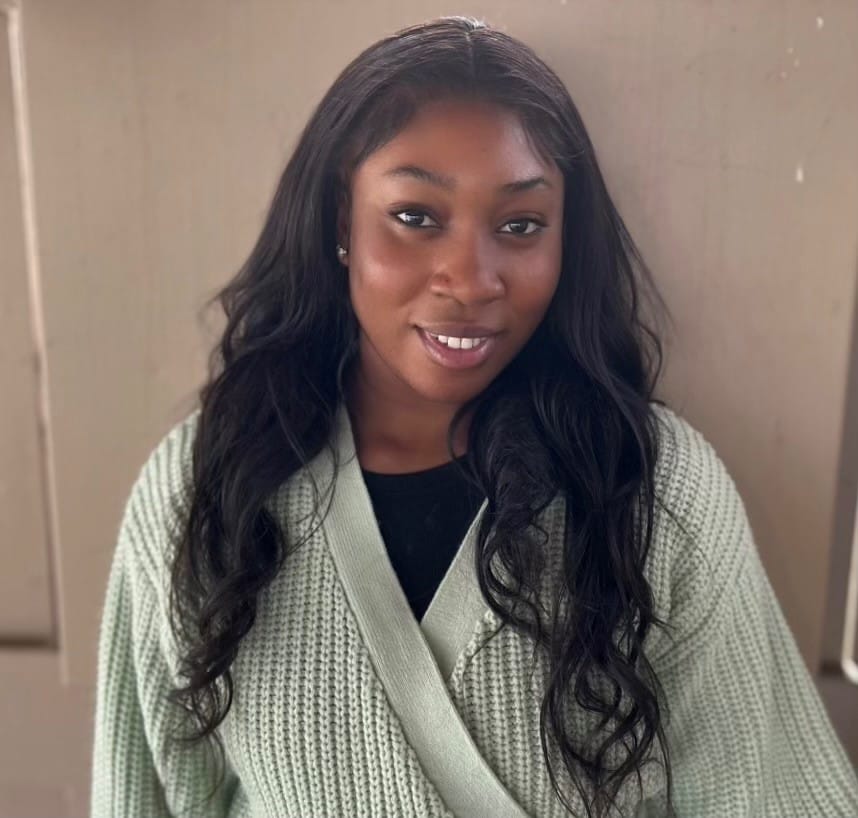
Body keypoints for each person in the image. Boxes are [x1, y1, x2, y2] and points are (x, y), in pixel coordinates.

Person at [89, 15, 858, 818]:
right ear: (340, 220)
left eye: (520, 226)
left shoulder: (656, 493)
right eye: (416, 217)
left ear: (566, 242)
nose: (470, 278)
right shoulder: (201, 493)